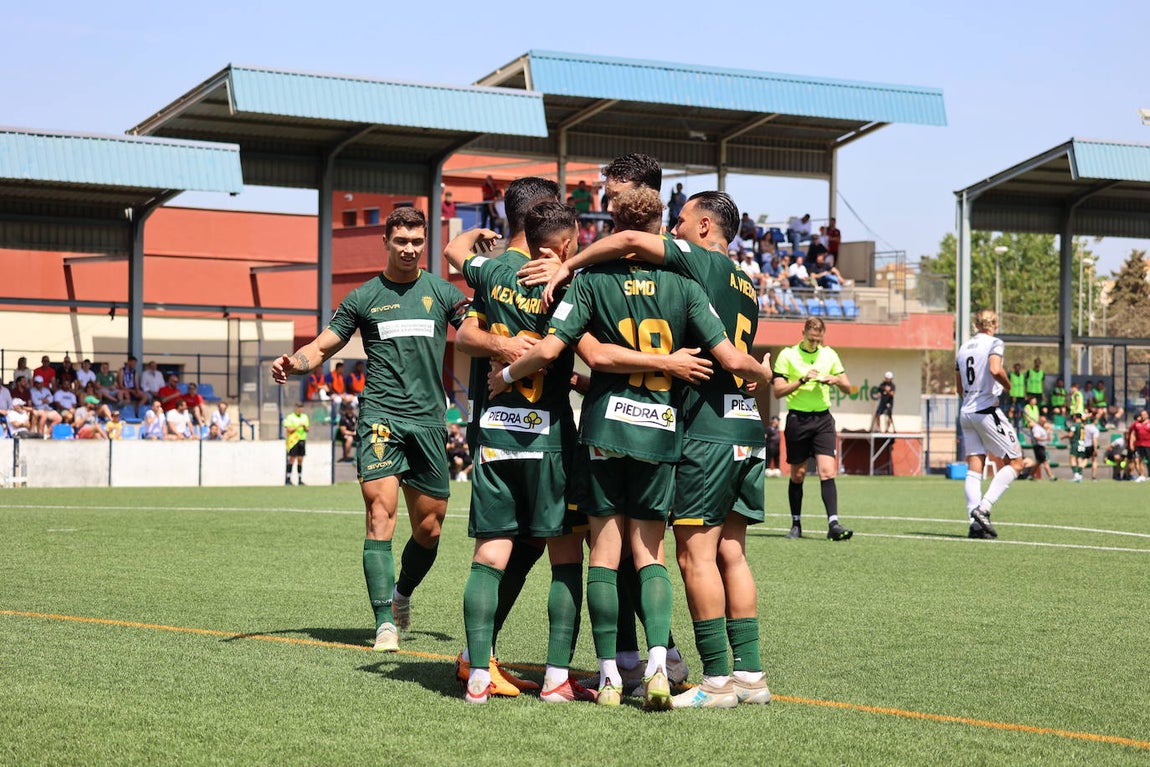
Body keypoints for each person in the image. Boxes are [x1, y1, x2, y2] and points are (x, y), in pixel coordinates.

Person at [499, 187, 774, 710]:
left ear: (703, 229)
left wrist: (565, 268)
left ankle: (704, 680)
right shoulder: (739, 282)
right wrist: (765, 374)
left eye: (684, 221)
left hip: (690, 430)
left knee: (675, 555)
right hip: (730, 425)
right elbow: (734, 360)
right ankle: (743, 675)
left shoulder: (668, 269)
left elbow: (591, 349)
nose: (674, 233)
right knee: (726, 553)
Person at [271, 206, 469, 654]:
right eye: (401, 241)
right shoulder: (363, 297)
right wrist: (294, 362)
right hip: (381, 416)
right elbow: (324, 344)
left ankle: (401, 593)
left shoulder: (441, 292)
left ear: (425, 243)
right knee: (380, 515)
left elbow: (474, 333)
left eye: (417, 241)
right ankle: (384, 622)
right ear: (386, 242)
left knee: (431, 527)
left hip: (429, 422)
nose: (409, 249)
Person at [773, 318, 854, 541]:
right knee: (798, 474)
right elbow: (778, 391)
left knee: (827, 470)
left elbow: (850, 388)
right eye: (811, 339)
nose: (814, 343)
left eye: (818, 340)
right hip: (797, 419)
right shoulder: (787, 355)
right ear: (803, 333)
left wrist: (836, 380)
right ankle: (796, 524)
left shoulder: (830, 355)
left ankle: (833, 524)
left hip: (823, 420)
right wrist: (801, 379)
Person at [956, 309, 1024, 539]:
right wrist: (1008, 385)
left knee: (975, 468)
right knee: (1016, 462)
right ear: (994, 324)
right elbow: (995, 369)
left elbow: (959, 388)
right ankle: (983, 509)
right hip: (986, 410)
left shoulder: (963, 348)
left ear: (976, 324)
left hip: (966, 412)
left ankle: (975, 526)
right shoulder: (995, 342)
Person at [282, 402, 309, 483]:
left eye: (301, 408)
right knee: (292, 459)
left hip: (302, 439)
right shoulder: (290, 417)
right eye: (298, 408)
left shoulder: (305, 417)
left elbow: (307, 429)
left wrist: (304, 426)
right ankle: (288, 478)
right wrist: (298, 426)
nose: (300, 409)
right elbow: (289, 430)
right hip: (293, 440)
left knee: (300, 459)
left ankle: (300, 479)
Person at [1030, 415, 1056, 481]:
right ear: (1040, 421)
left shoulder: (1041, 428)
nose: (1044, 423)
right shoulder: (1036, 428)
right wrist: (1046, 438)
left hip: (1041, 446)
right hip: (1038, 446)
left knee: (1038, 462)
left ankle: (1031, 475)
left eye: (1045, 421)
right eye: (1043, 421)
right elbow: (1036, 437)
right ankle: (1051, 476)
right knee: (1045, 461)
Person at [1128, 409, 1150, 482]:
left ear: (1147, 415)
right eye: (1142, 414)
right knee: (1138, 460)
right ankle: (1142, 475)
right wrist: (1131, 444)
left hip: (1148, 445)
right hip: (1139, 445)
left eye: (1144, 414)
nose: (1143, 416)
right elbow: (1133, 434)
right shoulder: (1136, 424)